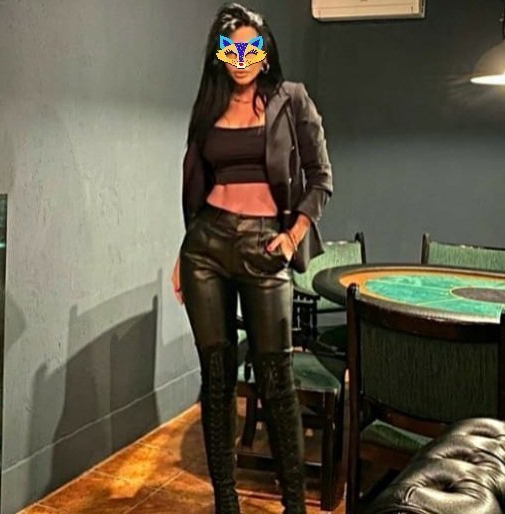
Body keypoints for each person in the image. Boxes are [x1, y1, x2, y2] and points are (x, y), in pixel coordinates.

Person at [172, 3, 333, 513]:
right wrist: (183, 252)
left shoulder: (292, 99)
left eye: (250, 48)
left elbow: (321, 178)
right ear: (219, 55)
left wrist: (292, 236)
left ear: (265, 53)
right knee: (217, 379)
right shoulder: (209, 104)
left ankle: (294, 505)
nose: (241, 59)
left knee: (276, 381)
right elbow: (197, 186)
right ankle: (227, 501)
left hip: (266, 246)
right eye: (231, 49)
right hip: (206, 248)